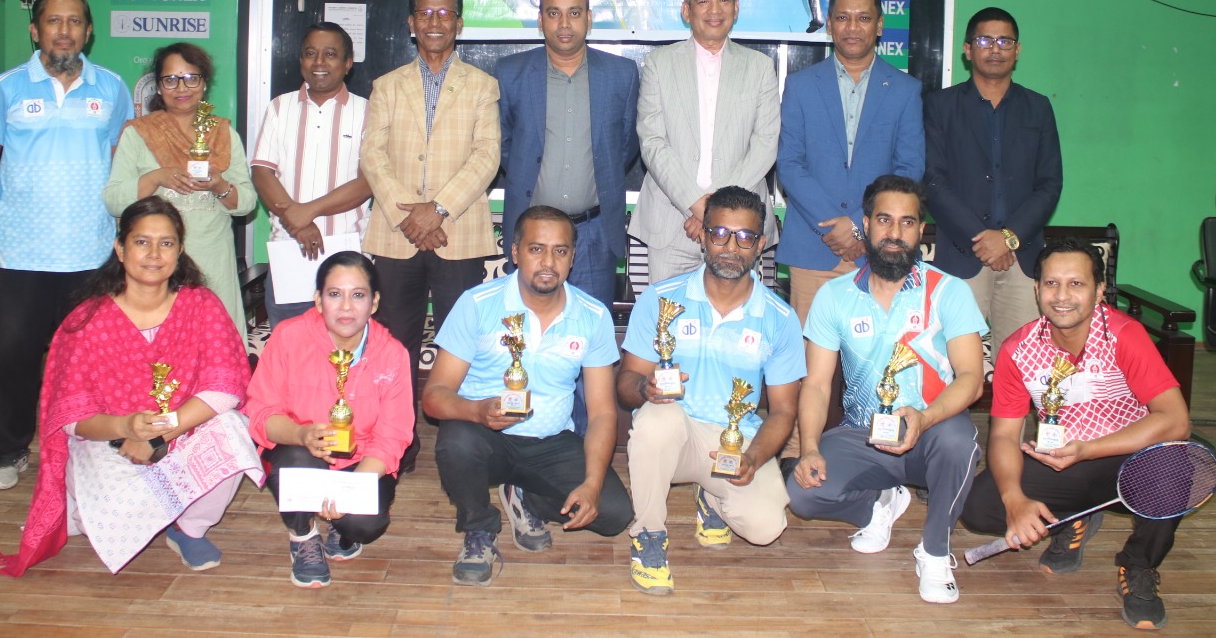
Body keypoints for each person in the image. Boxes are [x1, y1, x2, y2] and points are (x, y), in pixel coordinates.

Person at [0, 197, 263, 576]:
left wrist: (158, 435)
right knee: (109, 522)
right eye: (141, 242)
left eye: (166, 243)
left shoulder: (201, 306)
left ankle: (188, 528)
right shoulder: (88, 320)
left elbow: (225, 388)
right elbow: (71, 418)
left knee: (232, 429)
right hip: (110, 443)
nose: (154, 255)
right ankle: (103, 509)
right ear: (120, 248)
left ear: (180, 251)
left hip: (181, 431)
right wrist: (126, 427)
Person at [961, 237, 1191, 631]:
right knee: (980, 507)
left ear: (1099, 291)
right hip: (1063, 462)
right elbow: (1003, 437)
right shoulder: (1017, 349)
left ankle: (1138, 564)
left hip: (1128, 461)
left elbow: (1175, 419)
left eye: (1076, 284)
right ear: (1037, 289)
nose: (1062, 296)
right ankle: (1071, 519)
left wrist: (1088, 449)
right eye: (1052, 283)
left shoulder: (1125, 335)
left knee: (1173, 466)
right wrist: (1015, 502)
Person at [787, 174, 985, 605]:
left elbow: (972, 378)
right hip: (862, 435)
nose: (895, 233)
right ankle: (877, 504)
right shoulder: (834, 296)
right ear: (866, 224)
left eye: (907, 222)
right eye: (884, 220)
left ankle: (935, 551)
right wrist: (810, 448)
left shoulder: (949, 292)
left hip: (930, 432)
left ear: (920, 230)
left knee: (959, 441)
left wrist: (926, 418)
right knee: (803, 494)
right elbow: (816, 384)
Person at [0, 0, 134, 491]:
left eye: (75, 21)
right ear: (35, 30)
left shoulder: (112, 88)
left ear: (89, 31)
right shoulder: (6, 88)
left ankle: (95, 448)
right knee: (14, 355)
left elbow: (122, 161)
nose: (64, 31)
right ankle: (10, 450)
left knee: (93, 359)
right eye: (54, 21)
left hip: (92, 249)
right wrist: (18, 204)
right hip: (23, 252)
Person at [422, 206, 633, 586]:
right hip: (485, 436)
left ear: (572, 257)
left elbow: (603, 413)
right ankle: (479, 528)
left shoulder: (593, 315)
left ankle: (525, 495)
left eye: (560, 251)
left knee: (614, 514)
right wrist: (477, 412)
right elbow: (434, 396)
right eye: (536, 249)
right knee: (456, 443)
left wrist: (592, 482)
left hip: (551, 442)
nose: (548, 262)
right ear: (515, 252)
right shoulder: (477, 304)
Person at [618, 185, 804, 595]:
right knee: (658, 419)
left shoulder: (780, 318)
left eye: (745, 237)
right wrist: (645, 388)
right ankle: (648, 536)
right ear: (702, 236)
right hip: (675, 436)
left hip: (735, 444)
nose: (730, 247)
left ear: (760, 246)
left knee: (766, 527)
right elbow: (625, 385)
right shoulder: (661, 299)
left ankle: (712, 498)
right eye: (720, 233)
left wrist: (754, 457)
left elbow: (784, 411)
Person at [361, 0, 501, 472]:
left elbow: (487, 157)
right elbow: (372, 156)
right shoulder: (386, 85)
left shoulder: (482, 85)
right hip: (395, 233)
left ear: (459, 23)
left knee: (460, 345)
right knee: (393, 344)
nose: (435, 22)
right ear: (411, 23)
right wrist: (411, 216)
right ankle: (396, 445)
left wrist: (437, 209)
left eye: (445, 14)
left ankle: (459, 448)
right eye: (425, 13)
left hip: (457, 233)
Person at [246, 250, 413, 589]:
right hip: (301, 453)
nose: (346, 306)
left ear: (374, 302)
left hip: (360, 461)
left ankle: (341, 528)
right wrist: (301, 434)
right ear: (318, 301)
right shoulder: (289, 337)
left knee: (365, 524)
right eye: (335, 294)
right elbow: (261, 412)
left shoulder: (392, 353)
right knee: (294, 459)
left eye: (358, 295)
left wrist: (350, 491)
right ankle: (303, 535)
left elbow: (393, 436)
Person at [777, 0, 925, 326]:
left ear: (879, 25)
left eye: (863, 18)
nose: (853, 27)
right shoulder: (799, 86)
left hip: (881, 251)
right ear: (829, 24)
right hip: (814, 250)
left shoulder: (905, 90)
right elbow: (789, 164)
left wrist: (860, 225)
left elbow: (909, 168)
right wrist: (835, 228)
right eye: (843, 17)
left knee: (879, 356)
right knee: (811, 356)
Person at [923, 6, 1063, 357]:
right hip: (962, 255)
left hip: (1023, 258)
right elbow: (933, 180)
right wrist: (982, 240)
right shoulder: (939, 106)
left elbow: (1050, 183)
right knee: (952, 362)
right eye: (985, 40)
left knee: (1022, 365)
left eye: (1005, 41)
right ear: (968, 50)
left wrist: (1009, 238)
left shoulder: (1038, 108)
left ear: (1018, 50)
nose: (995, 49)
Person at [496, 0, 640, 306]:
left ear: (589, 18)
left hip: (594, 233)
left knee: (591, 327)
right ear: (540, 20)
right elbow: (502, 144)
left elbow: (626, 144)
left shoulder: (621, 74)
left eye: (574, 13)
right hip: (532, 230)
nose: (564, 24)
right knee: (525, 327)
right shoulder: (511, 73)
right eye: (554, 13)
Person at [633, 0, 780, 284]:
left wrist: (714, 212)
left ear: (736, 8)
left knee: (738, 314)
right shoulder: (659, 64)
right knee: (669, 313)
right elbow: (653, 142)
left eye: (724, 0)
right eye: (703, 1)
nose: (715, 10)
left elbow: (765, 145)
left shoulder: (760, 67)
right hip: (672, 225)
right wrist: (697, 207)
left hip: (740, 231)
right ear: (686, 10)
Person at [103, 42, 257, 337]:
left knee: (214, 345)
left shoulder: (223, 133)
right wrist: (156, 177)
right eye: (171, 79)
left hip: (212, 261)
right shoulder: (138, 134)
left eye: (191, 78)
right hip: (155, 264)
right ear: (159, 86)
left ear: (204, 83)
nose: (181, 88)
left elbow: (247, 203)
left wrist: (219, 185)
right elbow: (113, 200)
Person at [250, 22, 372, 324]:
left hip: (348, 254)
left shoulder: (368, 111)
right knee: (291, 347)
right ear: (301, 60)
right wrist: (298, 224)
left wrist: (308, 211)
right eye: (310, 53)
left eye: (330, 54)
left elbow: (367, 182)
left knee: (345, 348)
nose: (319, 62)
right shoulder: (280, 107)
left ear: (347, 63)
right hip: (289, 251)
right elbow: (262, 172)